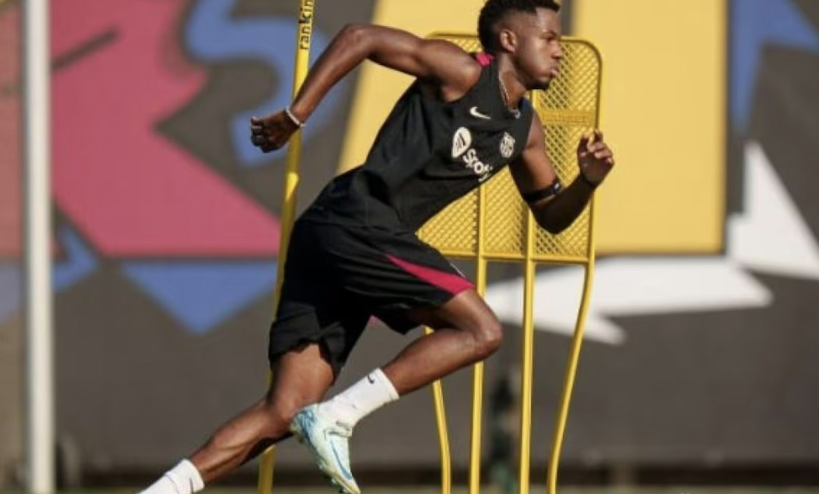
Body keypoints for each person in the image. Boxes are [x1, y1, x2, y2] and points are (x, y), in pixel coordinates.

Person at [137, 1, 614, 494]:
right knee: (482, 330)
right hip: (359, 220)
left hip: (345, 237)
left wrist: (587, 181)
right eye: (549, 38)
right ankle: (338, 417)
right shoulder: (462, 72)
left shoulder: (526, 132)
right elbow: (359, 37)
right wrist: (297, 115)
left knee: (284, 411)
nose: (559, 51)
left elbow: (551, 215)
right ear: (510, 40)